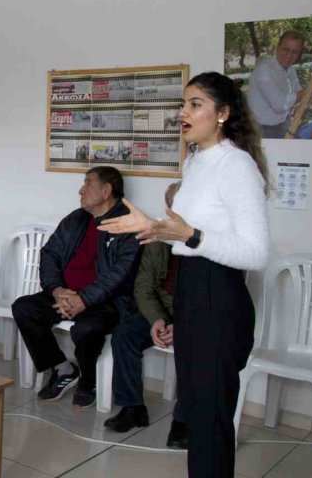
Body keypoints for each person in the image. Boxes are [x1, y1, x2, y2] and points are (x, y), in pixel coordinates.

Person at [99, 72, 269, 477]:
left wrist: (188, 235)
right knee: (196, 413)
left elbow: (255, 252)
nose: (183, 113)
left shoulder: (237, 165)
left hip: (220, 297)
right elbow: (188, 232)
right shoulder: (195, 160)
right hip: (192, 291)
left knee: (211, 422)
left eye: (195, 105)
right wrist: (156, 228)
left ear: (224, 114)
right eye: (183, 103)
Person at [11, 166, 140, 409]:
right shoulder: (77, 219)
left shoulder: (127, 224)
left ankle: (88, 381)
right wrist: (57, 290)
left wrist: (84, 299)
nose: (81, 190)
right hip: (66, 294)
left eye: (88, 183)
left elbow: (120, 274)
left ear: (106, 190)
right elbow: (49, 254)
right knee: (24, 308)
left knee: (87, 329)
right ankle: (62, 369)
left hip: (105, 302)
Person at [103, 182, 186, 448]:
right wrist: (157, 320)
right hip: (159, 311)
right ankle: (132, 408)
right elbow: (144, 286)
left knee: (198, 349)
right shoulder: (157, 238)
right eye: (173, 205)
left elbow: (214, 301)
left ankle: (184, 420)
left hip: (197, 318)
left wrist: (183, 326)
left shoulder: (208, 241)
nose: (177, 212)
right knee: (124, 334)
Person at [247, 30, 305, 138]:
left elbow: (298, 93)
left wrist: (307, 96)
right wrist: (303, 94)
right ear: (277, 48)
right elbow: (279, 104)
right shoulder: (264, 70)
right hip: (261, 131)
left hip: (284, 123)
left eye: (295, 52)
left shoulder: (291, 69)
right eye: (285, 49)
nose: (289, 55)